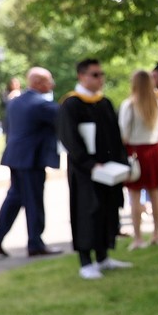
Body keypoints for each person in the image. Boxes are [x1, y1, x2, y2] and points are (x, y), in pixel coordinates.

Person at [57, 58, 132, 280]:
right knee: (86, 212)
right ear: (82, 76)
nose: (100, 79)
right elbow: (69, 139)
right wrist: (90, 165)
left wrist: (122, 162)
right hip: (84, 171)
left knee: (107, 210)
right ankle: (85, 261)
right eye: (95, 75)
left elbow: (116, 137)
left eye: (101, 74)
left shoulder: (104, 102)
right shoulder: (71, 104)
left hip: (108, 171)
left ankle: (103, 257)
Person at [0, 67, 63, 258]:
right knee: (34, 201)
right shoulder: (40, 105)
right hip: (31, 160)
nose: (52, 84)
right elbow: (65, 116)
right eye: (48, 81)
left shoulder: (15, 102)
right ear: (37, 82)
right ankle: (35, 244)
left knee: (15, 198)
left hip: (15, 157)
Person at [119, 69, 158, 250]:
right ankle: (156, 233)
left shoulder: (129, 105)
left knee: (135, 197)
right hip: (153, 151)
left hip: (135, 151)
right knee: (155, 195)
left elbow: (124, 132)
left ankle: (138, 237)